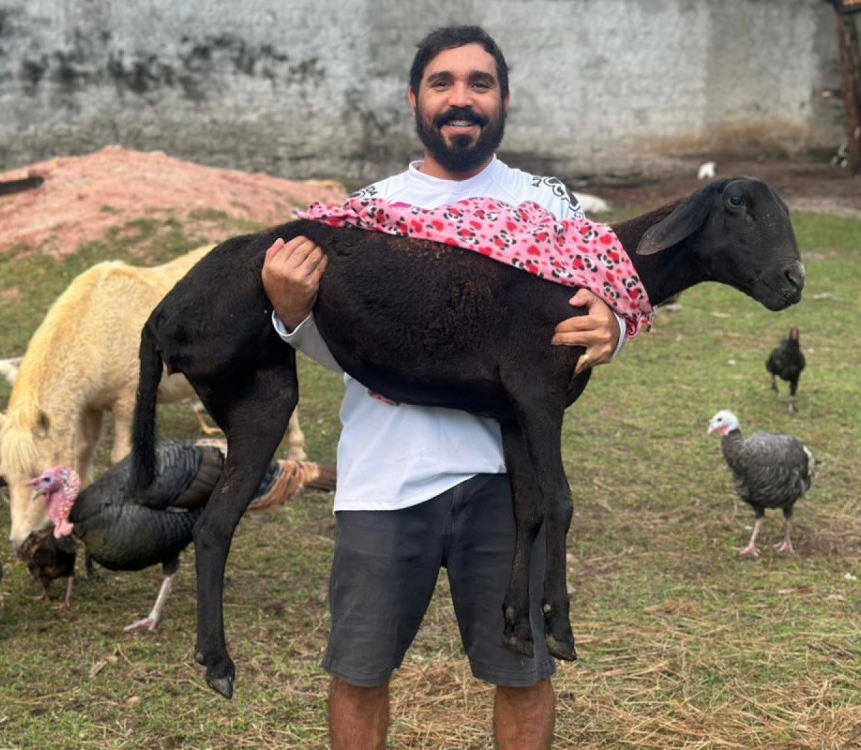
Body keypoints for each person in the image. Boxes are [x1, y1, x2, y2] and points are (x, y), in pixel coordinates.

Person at [261, 25, 624, 750]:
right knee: (360, 671)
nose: (462, 99)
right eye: (443, 83)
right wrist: (293, 312)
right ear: (415, 100)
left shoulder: (552, 208)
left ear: (504, 99)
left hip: (508, 481)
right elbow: (356, 351)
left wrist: (608, 325)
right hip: (385, 478)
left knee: (523, 671)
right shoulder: (366, 216)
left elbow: (597, 303)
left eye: (479, 84)